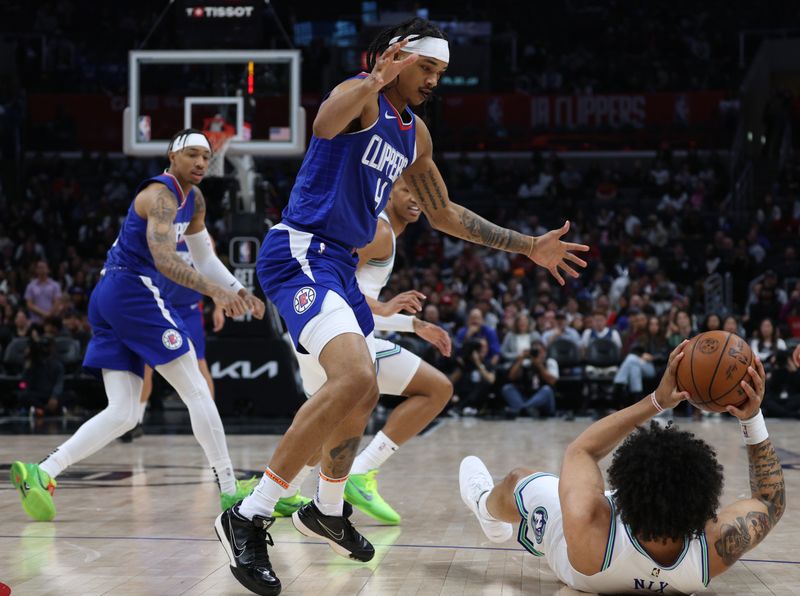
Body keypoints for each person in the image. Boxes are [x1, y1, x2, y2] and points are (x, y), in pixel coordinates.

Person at [214, 17, 588, 596]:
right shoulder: (357, 97)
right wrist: (372, 77)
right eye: (428, 68)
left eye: (441, 72)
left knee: (362, 390)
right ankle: (249, 514)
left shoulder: (416, 135)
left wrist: (528, 245)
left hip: (339, 265)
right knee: (354, 377)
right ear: (397, 57)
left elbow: (444, 213)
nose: (435, 80)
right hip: (301, 252)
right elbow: (323, 121)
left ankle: (327, 507)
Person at [10, 129, 265, 522]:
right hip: (132, 290)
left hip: (112, 296)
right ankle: (231, 491)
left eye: (206, 156)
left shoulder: (193, 199)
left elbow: (204, 256)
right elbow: (165, 261)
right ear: (171, 156)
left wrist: (237, 289)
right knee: (196, 389)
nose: (201, 162)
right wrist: (217, 293)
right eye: (193, 154)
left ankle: (42, 472)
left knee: (125, 412)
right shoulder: (159, 197)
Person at [460, 342, 785, 594]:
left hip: (577, 552)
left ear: (617, 496)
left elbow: (583, 450)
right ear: (705, 508)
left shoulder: (588, 520)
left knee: (518, 478)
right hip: (606, 556)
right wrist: (751, 417)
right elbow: (770, 501)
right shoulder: (711, 551)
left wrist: (657, 401)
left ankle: (484, 505)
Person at [281, 180, 453, 525]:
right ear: (390, 192)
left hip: (336, 335)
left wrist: (411, 325)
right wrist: (392, 311)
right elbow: (333, 282)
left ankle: (285, 495)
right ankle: (353, 477)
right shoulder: (379, 231)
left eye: (420, 192)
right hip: (337, 336)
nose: (416, 197)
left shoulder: (384, 231)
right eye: (408, 190)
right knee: (432, 390)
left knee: (325, 425)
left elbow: (357, 297)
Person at [119, 237, 227, 443]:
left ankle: (209, 422)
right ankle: (136, 422)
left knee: (199, 364)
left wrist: (219, 306)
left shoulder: (201, 236)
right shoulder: (160, 232)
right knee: (147, 366)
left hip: (190, 311)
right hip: (161, 308)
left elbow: (212, 269)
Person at [500, 339, 559, 418]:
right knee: (507, 388)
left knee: (547, 390)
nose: (537, 354)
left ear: (544, 352)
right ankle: (526, 408)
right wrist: (521, 359)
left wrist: (539, 365)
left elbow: (552, 381)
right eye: (534, 352)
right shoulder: (526, 362)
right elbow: (511, 377)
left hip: (543, 401)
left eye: (539, 351)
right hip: (526, 396)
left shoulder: (550, 362)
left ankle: (522, 409)